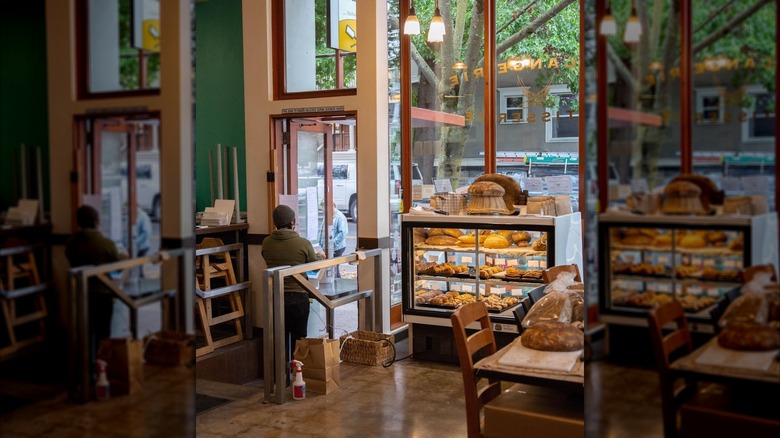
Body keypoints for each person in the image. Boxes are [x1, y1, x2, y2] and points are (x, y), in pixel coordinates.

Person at [261, 205, 324, 381]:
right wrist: (320, 256)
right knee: (299, 340)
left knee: (280, 339)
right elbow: (314, 264)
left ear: (275, 223)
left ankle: (281, 378)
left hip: (275, 297)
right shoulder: (303, 243)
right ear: (293, 222)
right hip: (298, 298)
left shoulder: (267, 243)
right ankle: (299, 376)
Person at [65, 205, 121, 366]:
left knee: (84, 332)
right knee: (103, 333)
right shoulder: (105, 243)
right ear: (96, 221)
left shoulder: (72, 243)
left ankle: (85, 368)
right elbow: (117, 265)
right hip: (103, 293)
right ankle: (101, 367)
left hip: (80, 294)